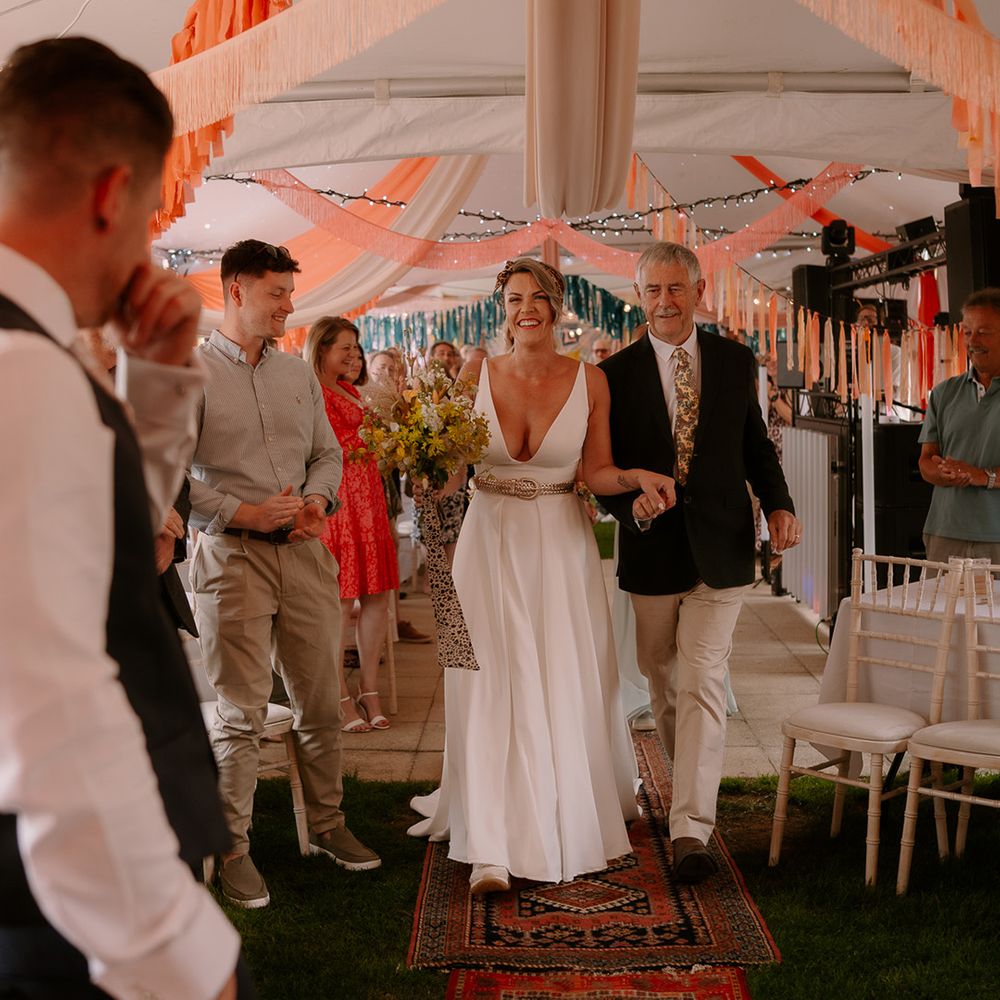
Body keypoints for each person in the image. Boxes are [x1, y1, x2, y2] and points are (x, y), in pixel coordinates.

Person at [0, 37, 245, 998]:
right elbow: (50, 707)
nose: (144, 241)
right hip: (68, 918)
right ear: (112, 195)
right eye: (148, 212)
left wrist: (152, 389)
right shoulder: (24, 373)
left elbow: (101, 555)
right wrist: (175, 953)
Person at [409, 257, 676, 894]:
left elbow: (596, 473)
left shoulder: (592, 381)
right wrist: (423, 469)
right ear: (503, 309)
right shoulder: (476, 373)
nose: (525, 309)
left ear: (556, 307)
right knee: (491, 681)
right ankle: (492, 846)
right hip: (487, 541)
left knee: (560, 677)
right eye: (513, 299)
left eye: (537, 298)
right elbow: (453, 472)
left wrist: (636, 478)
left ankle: (561, 812)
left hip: (560, 545)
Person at [597, 242, 800, 885]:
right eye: (652, 291)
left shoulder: (737, 361)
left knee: (703, 680)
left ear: (699, 291)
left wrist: (779, 505)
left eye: (675, 289)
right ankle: (693, 785)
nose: (664, 302)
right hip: (653, 552)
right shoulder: (614, 375)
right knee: (662, 679)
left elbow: (756, 446)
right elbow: (602, 476)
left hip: (724, 547)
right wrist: (632, 510)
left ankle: (691, 826)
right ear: (639, 297)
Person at [189, 240, 380, 911]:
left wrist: (318, 501)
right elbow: (171, 479)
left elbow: (327, 455)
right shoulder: (188, 372)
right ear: (237, 290)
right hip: (231, 558)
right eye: (277, 293)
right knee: (239, 713)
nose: (289, 305)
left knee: (321, 703)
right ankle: (234, 849)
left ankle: (327, 824)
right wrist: (241, 508)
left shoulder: (298, 374)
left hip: (303, 555)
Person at [304, 318, 399, 733]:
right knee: (339, 603)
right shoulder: (311, 391)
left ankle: (370, 688)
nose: (352, 355)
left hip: (370, 500)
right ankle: (339, 693)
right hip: (337, 503)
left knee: (376, 595)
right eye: (343, 347)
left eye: (355, 348)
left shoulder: (352, 390)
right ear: (321, 348)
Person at [917, 287, 1000, 562]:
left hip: (996, 536)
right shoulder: (943, 393)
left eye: (983, 332)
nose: (972, 341)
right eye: (967, 332)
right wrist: (943, 473)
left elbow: (978, 474)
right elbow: (926, 460)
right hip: (944, 532)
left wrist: (981, 476)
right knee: (936, 606)